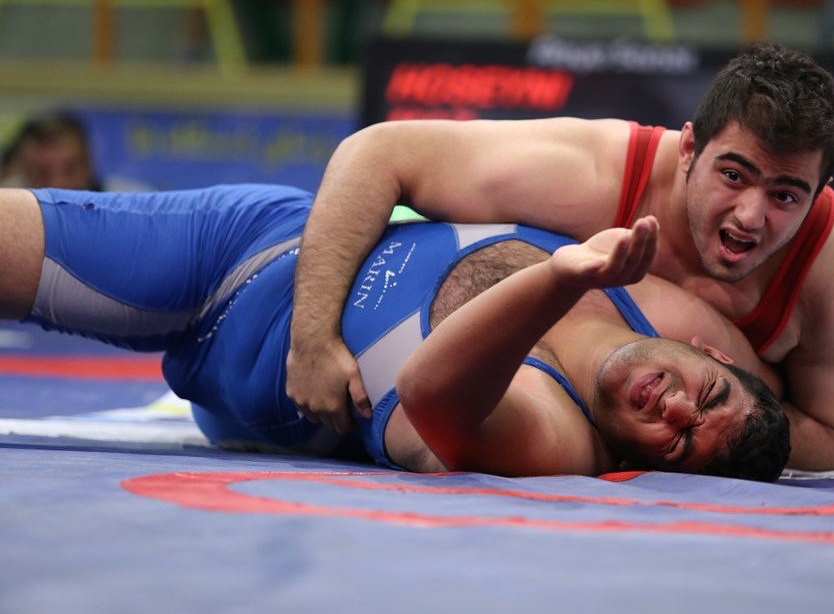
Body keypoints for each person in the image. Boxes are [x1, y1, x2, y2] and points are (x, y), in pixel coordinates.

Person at [287, 41, 834, 472]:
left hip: (792, 384)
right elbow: (377, 153)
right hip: (677, 364)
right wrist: (312, 338)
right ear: (688, 149)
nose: (750, 216)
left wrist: (670, 429)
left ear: (820, 193)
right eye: (733, 174)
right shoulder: (600, 172)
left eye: (785, 195)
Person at [0, 184, 789, 481]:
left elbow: (428, 393)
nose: (675, 409)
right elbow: (384, 150)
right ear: (711, 353)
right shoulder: (664, 297)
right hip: (266, 231)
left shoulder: (556, 440)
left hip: (251, 367)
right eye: (708, 395)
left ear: (639, 465)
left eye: (678, 444)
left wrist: (560, 279)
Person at [1, 113, 103, 190]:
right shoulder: (5, 200)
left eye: (70, 171)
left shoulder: (111, 203)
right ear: (23, 172)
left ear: (88, 167)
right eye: (42, 174)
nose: (58, 184)